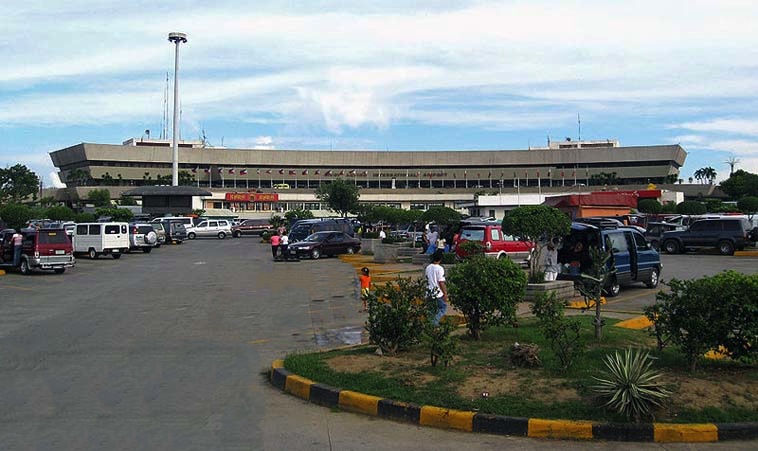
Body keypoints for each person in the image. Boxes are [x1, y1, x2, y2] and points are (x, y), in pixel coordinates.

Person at [425, 250, 448, 326]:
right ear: (441, 259)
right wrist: (445, 293)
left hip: (428, 292)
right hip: (437, 293)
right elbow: (441, 282)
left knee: (431, 310)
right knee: (442, 308)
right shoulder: (440, 268)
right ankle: (434, 323)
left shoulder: (428, 267)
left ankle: (430, 324)